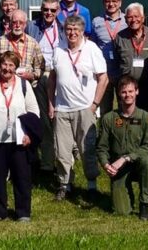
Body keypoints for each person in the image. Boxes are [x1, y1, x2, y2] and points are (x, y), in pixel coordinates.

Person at [48, 15, 107, 202]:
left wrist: (95, 105)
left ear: (82, 32)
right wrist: (51, 104)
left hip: (85, 108)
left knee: (87, 149)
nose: (72, 33)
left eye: (76, 30)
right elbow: (52, 78)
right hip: (62, 109)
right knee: (62, 151)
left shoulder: (91, 49)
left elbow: (103, 78)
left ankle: (91, 186)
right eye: (69, 29)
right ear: (65, 31)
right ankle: (65, 185)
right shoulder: (58, 50)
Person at [0, 50, 40, 222]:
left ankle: (23, 212)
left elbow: (34, 111)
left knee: (22, 177)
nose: (7, 68)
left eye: (11, 65)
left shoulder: (24, 85)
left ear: (16, 67)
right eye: (4, 64)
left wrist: (29, 134)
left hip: (19, 139)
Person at [96, 76, 148, 220]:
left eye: (131, 91)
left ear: (137, 92)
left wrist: (127, 158)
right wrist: (106, 164)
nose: (128, 95)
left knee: (147, 162)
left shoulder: (146, 118)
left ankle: (145, 205)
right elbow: (101, 147)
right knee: (122, 212)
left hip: (138, 163)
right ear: (119, 93)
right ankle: (125, 194)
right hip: (119, 168)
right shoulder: (109, 118)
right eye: (124, 92)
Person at [113, 2, 148, 170]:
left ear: (143, 18)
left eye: (136, 16)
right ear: (125, 19)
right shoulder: (120, 37)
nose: (133, 19)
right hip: (128, 91)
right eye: (129, 17)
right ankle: (130, 158)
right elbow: (117, 61)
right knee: (130, 124)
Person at [35, 0, 65, 174]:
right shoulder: (32, 27)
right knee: (45, 119)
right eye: (45, 9)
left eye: (53, 10)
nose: (48, 13)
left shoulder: (63, 29)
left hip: (59, 76)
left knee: (59, 120)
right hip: (39, 76)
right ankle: (46, 163)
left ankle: (62, 160)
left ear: (58, 11)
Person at [91, 0, 127, 114]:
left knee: (124, 106)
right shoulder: (96, 22)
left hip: (122, 71)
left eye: (114, 1)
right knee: (105, 108)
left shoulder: (127, 20)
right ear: (103, 3)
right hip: (104, 72)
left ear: (120, 2)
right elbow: (93, 47)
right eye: (107, 1)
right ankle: (106, 132)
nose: (111, 4)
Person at [0, 9, 45, 86]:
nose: (17, 25)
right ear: (9, 23)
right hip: (3, 86)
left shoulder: (33, 43)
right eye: (14, 22)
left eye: (21, 23)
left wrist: (31, 75)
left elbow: (40, 69)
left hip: (26, 87)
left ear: (25, 25)